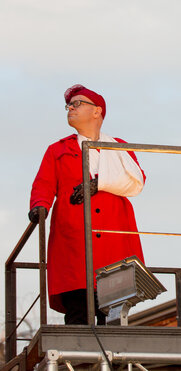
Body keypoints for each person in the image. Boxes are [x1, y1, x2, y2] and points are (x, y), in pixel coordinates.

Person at [29, 84, 145, 325]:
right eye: (69, 105)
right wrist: (40, 206)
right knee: (78, 313)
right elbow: (44, 184)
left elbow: (136, 181)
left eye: (77, 103)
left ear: (97, 111)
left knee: (114, 316)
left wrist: (97, 184)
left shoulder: (120, 147)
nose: (70, 108)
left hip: (115, 244)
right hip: (74, 243)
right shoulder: (57, 150)